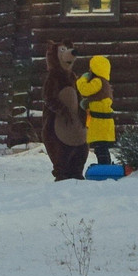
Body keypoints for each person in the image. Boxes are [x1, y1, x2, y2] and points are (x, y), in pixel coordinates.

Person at [41, 40, 88, 181]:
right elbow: (48, 97)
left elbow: (79, 96)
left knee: (81, 149)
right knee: (60, 152)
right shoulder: (53, 77)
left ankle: (77, 172)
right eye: (62, 50)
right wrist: (61, 109)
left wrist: (82, 110)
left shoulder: (72, 77)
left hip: (75, 124)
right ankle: (62, 175)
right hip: (58, 124)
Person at [76, 55, 115, 166]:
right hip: (103, 123)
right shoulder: (104, 83)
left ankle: (104, 168)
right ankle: (105, 166)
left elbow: (85, 90)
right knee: (102, 147)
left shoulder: (98, 81)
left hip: (100, 123)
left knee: (100, 147)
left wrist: (82, 79)